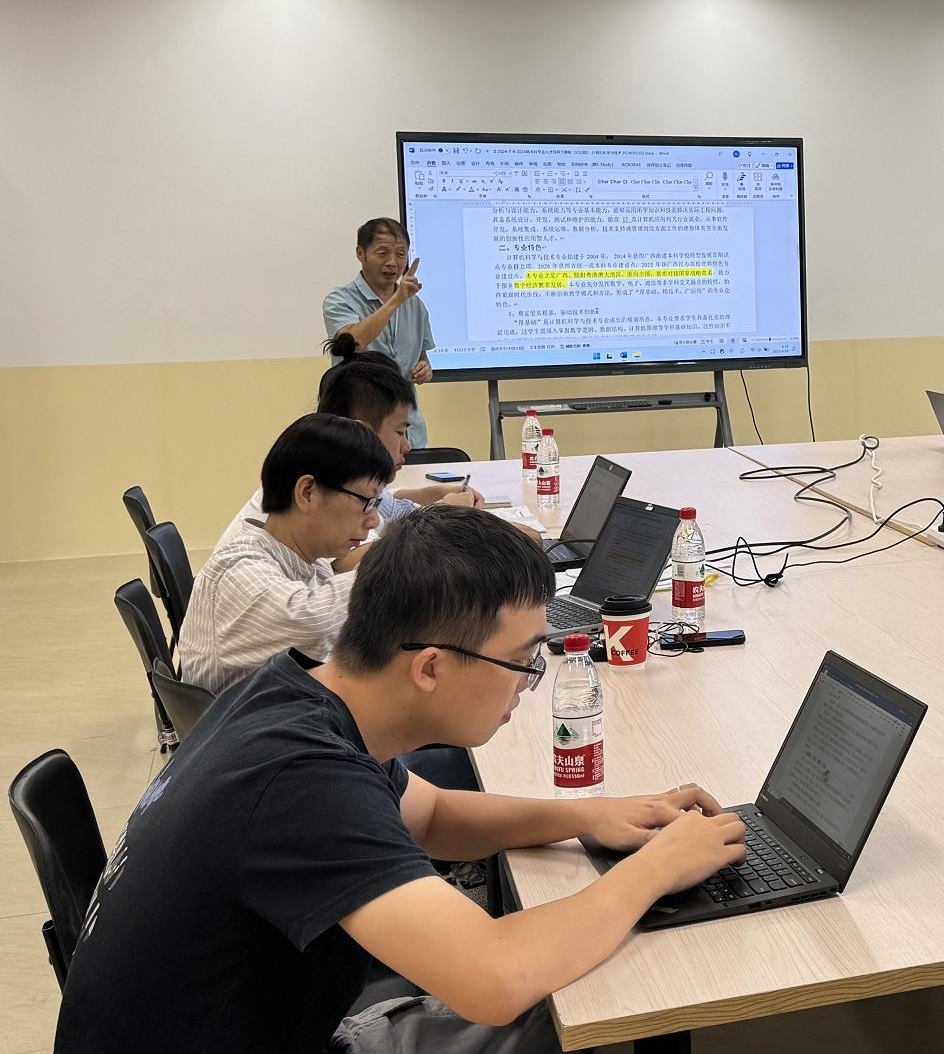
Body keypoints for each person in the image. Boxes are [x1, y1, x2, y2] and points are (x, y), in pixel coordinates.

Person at [56, 507, 747, 1054]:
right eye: (521, 662)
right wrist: (656, 868)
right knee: (577, 1010)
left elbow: (433, 817)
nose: (528, 684)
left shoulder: (291, 694)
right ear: (430, 667)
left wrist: (589, 817)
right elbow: (493, 978)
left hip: (249, 1023)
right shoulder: (301, 782)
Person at [180, 413, 394, 694]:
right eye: (367, 501)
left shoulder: (308, 560)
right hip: (248, 720)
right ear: (307, 492)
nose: (374, 520)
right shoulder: (236, 570)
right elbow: (313, 623)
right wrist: (398, 562)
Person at [218, 338, 478, 550]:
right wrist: (441, 515)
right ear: (361, 430)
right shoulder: (325, 493)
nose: (407, 446)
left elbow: (386, 506)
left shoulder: (336, 471)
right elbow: (360, 563)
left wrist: (436, 496)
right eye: (400, 431)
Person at [324, 217, 435, 448]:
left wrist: (425, 369)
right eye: (383, 253)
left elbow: (421, 357)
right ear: (361, 253)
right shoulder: (339, 300)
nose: (392, 263)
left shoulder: (416, 306)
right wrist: (396, 300)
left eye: (401, 254)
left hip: (409, 431)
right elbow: (353, 342)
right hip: (360, 428)